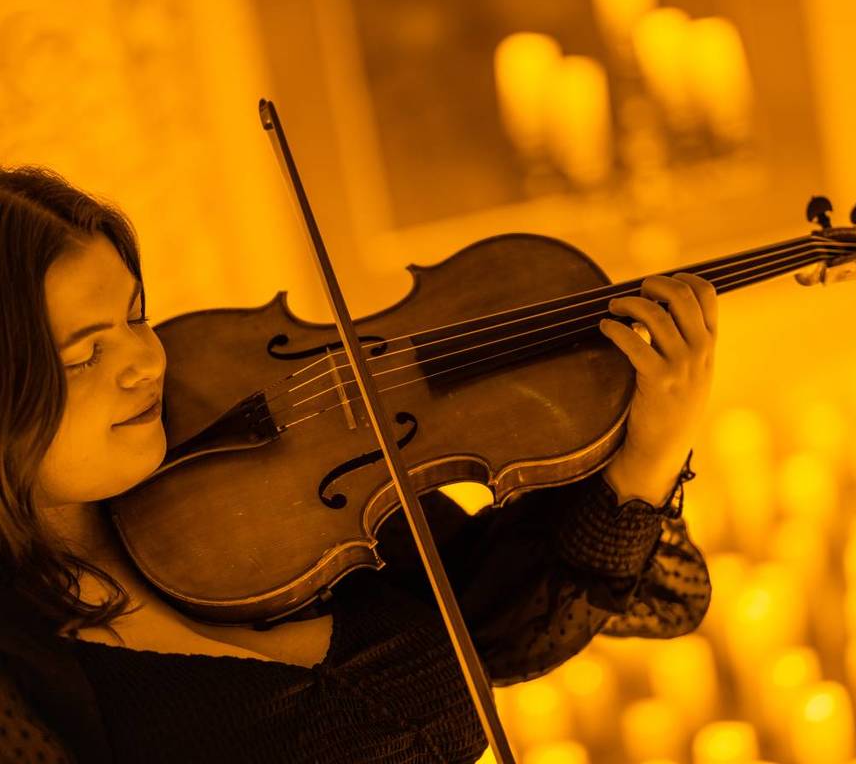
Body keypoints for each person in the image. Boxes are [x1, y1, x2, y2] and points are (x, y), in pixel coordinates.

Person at [0, 165, 715, 763]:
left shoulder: (266, 472)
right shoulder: (22, 683)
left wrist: (650, 448)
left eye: (136, 317)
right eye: (85, 353)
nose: (146, 362)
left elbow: (497, 626)